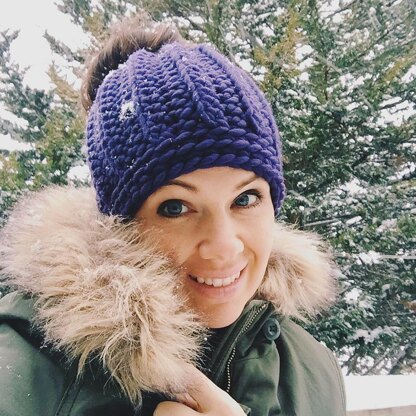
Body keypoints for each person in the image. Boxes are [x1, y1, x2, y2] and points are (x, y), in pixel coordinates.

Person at [0, 16, 346, 416]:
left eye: (246, 198)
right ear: (119, 226)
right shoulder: (21, 367)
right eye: (175, 207)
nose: (223, 246)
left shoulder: (313, 372)